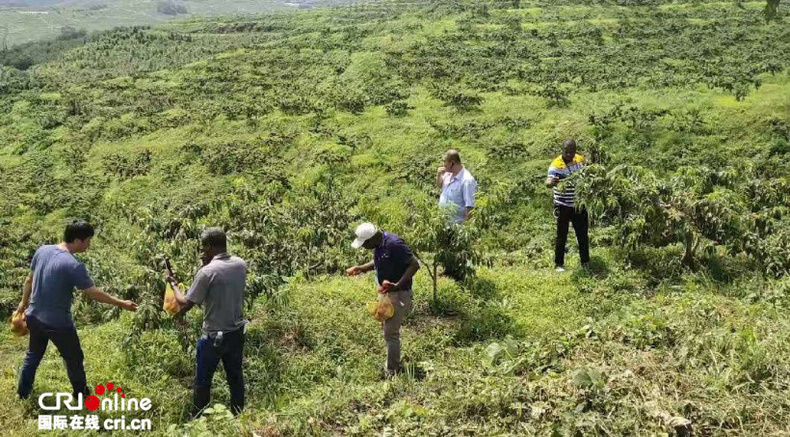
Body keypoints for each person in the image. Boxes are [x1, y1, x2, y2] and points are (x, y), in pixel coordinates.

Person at [17, 220, 138, 399]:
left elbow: (29, 280)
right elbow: (93, 293)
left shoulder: (42, 251)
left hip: (34, 316)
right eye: (88, 240)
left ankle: (22, 394)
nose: (89, 244)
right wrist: (122, 303)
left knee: (33, 356)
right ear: (77, 240)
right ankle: (81, 395)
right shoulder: (73, 265)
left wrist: (23, 303)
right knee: (74, 358)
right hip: (58, 323)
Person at [167, 228, 247, 417]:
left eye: (204, 248)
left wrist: (173, 285)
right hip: (236, 332)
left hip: (213, 337)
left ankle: (199, 419)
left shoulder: (207, 272)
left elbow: (185, 304)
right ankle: (239, 414)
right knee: (235, 376)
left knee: (203, 380)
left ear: (209, 246)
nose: (202, 252)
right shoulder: (240, 264)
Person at [346, 223, 420, 377]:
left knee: (391, 333)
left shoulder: (394, 244)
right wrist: (362, 268)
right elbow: (380, 261)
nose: (364, 247)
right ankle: (392, 363)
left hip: (398, 293)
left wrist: (397, 285)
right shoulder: (379, 244)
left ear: (372, 239)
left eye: (365, 243)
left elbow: (414, 265)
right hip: (388, 293)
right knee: (387, 328)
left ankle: (392, 371)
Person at [546, 138, 590, 272]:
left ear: (575, 150)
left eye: (572, 152)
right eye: (567, 152)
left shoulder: (580, 160)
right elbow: (548, 182)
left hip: (578, 204)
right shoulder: (556, 165)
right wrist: (551, 182)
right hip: (563, 205)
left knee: (582, 234)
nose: (569, 155)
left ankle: (585, 262)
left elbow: (587, 174)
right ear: (562, 151)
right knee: (561, 235)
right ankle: (559, 264)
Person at [436, 149, 477, 224]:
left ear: (452, 163)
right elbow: (439, 185)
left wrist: (466, 229)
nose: (443, 165)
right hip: (443, 222)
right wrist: (438, 175)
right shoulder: (448, 173)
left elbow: (470, 207)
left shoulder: (467, 180)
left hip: (456, 227)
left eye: (445, 162)